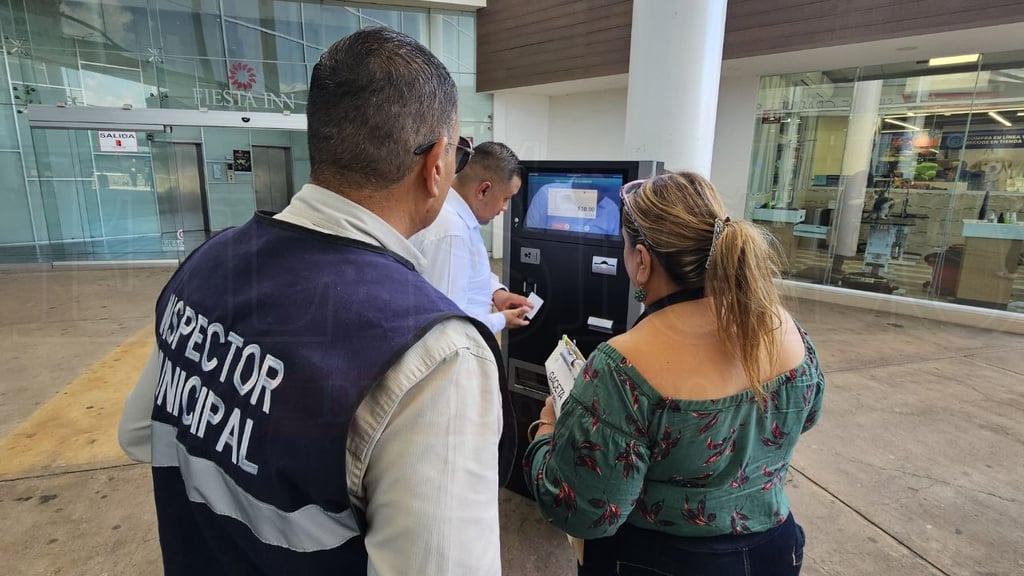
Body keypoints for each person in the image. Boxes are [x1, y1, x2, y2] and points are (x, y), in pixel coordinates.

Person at [118, 28, 515, 576]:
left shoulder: (211, 261)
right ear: (437, 165)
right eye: (459, 151)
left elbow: (139, 432)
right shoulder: (438, 356)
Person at [525, 171, 826, 575]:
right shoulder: (782, 326)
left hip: (653, 562)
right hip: (771, 554)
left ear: (644, 261)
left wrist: (546, 432)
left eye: (626, 247)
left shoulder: (622, 366)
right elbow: (806, 415)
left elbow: (583, 511)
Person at [411, 141, 533, 333]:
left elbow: (468, 268)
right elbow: (446, 326)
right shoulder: (451, 231)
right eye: (506, 198)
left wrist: (496, 293)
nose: (505, 208)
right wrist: (500, 320)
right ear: (483, 190)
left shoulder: (457, 217)